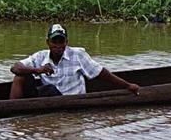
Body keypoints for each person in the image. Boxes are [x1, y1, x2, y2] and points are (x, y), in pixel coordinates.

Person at [9, 24, 140, 99]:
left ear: (66, 42)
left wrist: (127, 85)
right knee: (19, 76)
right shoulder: (40, 57)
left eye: (61, 41)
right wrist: (37, 70)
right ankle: (13, 110)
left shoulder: (77, 55)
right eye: (54, 41)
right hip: (49, 98)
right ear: (48, 42)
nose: (58, 45)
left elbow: (101, 73)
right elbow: (15, 68)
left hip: (70, 99)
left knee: (48, 89)